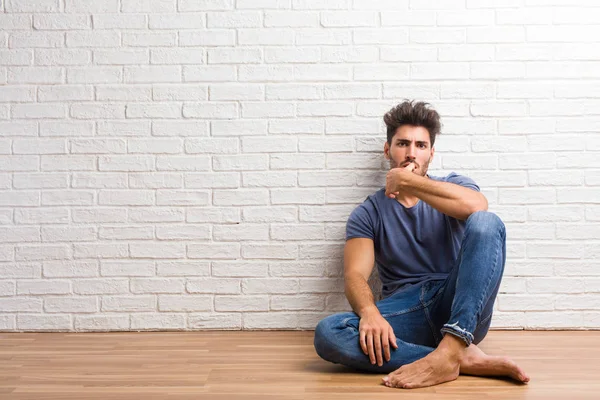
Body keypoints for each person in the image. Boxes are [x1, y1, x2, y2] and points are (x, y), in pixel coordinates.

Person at [313, 100, 530, 389]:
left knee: (487, 222)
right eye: (403, 143)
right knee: (330, 332)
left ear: (431, 152)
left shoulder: (453, 186)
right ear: (387, 149)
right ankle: (456, 358)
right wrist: (370, 313)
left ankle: (453, 344)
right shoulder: (368, 213)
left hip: (457, 305)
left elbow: (479, 207)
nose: (411, 152)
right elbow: (354, 275)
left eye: (420, 145)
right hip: (406, 310)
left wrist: (411, 183)